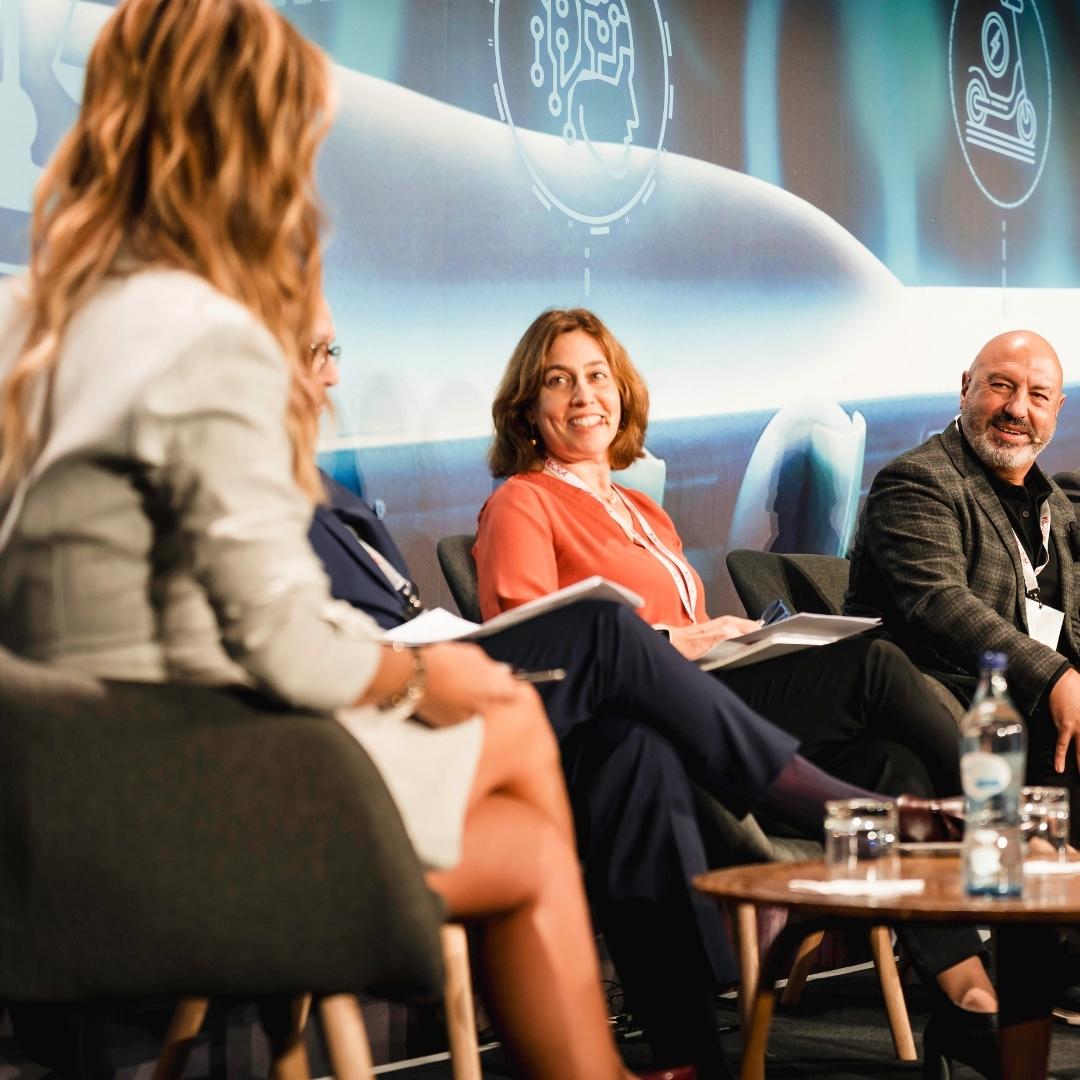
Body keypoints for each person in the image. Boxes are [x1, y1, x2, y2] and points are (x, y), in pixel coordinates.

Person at [0, 5, 676, 1079]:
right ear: (251, 145)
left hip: (45, 797)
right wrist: (421, 678)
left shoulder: (28, 318)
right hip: (184, 797)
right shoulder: (207, 339)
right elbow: (277, 642)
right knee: (511, 732)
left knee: (514, 768)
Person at [306, 295, 966, 1076]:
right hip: (596, 710)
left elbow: (673, 629)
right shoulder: (522, 501)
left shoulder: (646, 510)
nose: (583, 395)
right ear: (528, 409)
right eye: (558, 381)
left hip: (691, 708)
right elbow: (534, 643)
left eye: (596, 376)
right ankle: (993, 813)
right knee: (869, 667)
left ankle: (974, 1000)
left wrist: (725, 635)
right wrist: (674, 643)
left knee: (887, 760)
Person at [845, 331, 1080, 833]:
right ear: (965, 388)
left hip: (1034, 707)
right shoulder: (917, 480)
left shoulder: (1058, 510)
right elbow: (939, 603)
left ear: (1057, 410)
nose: (1017, 409)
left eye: (1038, 396)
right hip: (947, 702)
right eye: (1001, 386)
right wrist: (1057, 677)